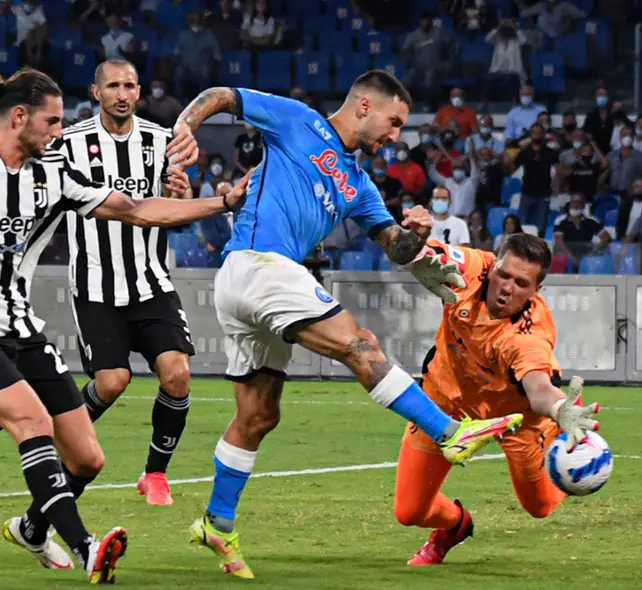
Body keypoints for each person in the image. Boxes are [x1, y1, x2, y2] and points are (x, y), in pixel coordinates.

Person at [0, 67, 253, 583]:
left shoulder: (52, 174)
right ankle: (88, 547)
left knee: (89, 458)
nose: (59, 132)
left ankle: (29, 527)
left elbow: (134, 209)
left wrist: (221, 202)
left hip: (20, 327)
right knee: (33, 422)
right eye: (52, 122)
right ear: (19, 116)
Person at [164, 71, 525, 579]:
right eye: (394, 121)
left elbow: (394, 246)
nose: (396, 135)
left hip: (251, 284)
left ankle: (217, 522)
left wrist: (415, 235)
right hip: (259, 264)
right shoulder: (298, 119)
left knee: (259, 415)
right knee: (359, 343)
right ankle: (448, 432)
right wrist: (184, 126)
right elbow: (224, 96)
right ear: (363, 105)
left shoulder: (357, 183)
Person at [393, 233, 600, 565]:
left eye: (521, 283)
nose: (507, 287)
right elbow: (431, 254)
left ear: (536, 291)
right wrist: (411, 239)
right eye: (503, 274)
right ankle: (455, 526)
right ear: (493, 266)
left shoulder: (528, 337)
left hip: (517, 416)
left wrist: (560, 409)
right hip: (446, 402)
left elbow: (539, 389)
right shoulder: (472, 269)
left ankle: (575, 466)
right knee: (409, 511)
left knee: (540, 507)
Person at [54, 59, 197, 506]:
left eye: (130, 85)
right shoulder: (70, 145)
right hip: (96, 286)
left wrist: (183, 195)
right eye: (113, 85)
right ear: (96, 92)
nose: (122, 93)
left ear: (140, 92)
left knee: (177, 374)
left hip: (151, 282)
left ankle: (155, 473)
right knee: (112, 381)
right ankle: (68, 441)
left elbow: (178, 205)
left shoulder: (161, 142)